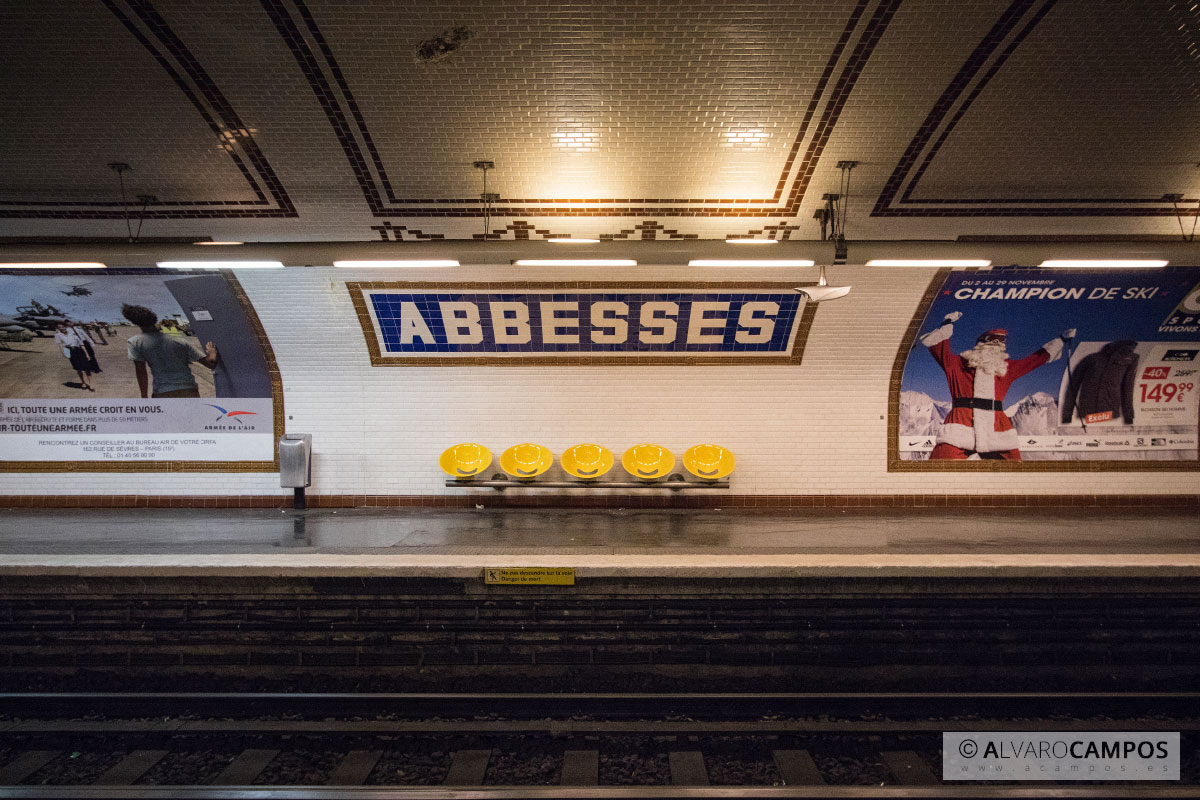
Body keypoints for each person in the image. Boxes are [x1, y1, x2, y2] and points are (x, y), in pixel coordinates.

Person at [920, 311, 1075, 460]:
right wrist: (947, 324)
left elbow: (1034, 360)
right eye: (991, 343)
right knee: (942, 464)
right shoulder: (957, 364)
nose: (994, 348)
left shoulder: (1005, 368)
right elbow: (939, 349)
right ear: (980, 345)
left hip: (996, 428)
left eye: (999, 346)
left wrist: (1061, 340)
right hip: (960, 425)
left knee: (1013, 469)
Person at [122, 304, 218, 398]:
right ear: (154, 318)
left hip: (162, 392)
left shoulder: (135, 342)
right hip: (189, 390)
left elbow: (141, 371)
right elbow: (210, 364)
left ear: (135, 322)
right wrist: (212, 353)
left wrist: (144, 396)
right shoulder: (180, 341)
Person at [54, 321, 97, 391]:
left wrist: (87, 354)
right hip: (71, 352)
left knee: (87, 368)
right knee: (78, 368)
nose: (62, 328)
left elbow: (81, 344)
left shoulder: (72, 333)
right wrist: (64, 354)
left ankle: (91, 384)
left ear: (66, 327)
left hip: (79, 351)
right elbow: (60, 345)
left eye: (63, 327)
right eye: (59, 328)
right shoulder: (58, 335)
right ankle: (83, 382)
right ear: (58, 328)